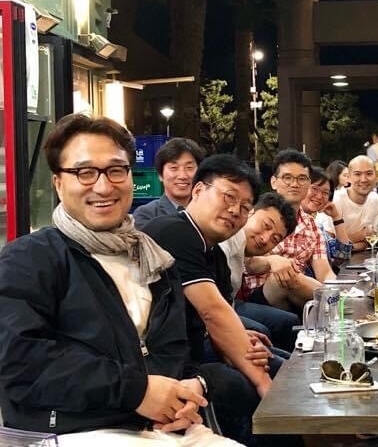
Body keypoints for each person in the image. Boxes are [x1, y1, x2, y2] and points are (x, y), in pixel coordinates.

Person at [0, 114, 235, 446]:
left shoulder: (156, 260)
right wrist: (137, 391)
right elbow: (19, 360)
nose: (103, 186)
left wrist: (189, 387)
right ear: (58, 183)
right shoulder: (30, 258)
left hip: (166, 428)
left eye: (115, 170)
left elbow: (179, 351)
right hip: (75, 430)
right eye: (84, 172)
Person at [142, 155, 273, 444]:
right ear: (199, 190)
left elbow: (218, 322)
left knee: (276, 364)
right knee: (249, 388)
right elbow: (212, 312)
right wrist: (264, 385)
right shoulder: (174, 231)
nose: (235, 210)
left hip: (192, 353)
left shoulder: (215, 255)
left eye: (245, 207)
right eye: (229, 196)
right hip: (159, 365)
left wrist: (243, 342)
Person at [243, 149, 337, 311]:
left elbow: (324, 272)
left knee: (301, 282)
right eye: (287, 178)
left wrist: (337, 286)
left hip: (297, 295)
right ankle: (335, 304)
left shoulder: (311, 224)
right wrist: (273, 262)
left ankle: (333, 304)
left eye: (301, 179)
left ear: (308, 184)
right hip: (256, 295)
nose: (294, 184)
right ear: (274, 182)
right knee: (283, 277)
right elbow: (247, 261)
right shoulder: (257, 213)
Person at [219, 191, 300, 351]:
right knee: (261, 333)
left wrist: (272, 261)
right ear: (249, 212)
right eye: (266, 226)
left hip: (229, 306)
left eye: (275, 239)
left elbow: (251, 263)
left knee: (288, 322)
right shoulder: (224, 240)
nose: (265, 238)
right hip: (205, 322)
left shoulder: (241, 247)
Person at [133, 137, 205, 228]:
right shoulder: (146, 214)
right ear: (160, 175)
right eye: (174, 168)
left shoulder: (208, 210)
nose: (182, 176)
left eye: (189, 168)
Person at [302, 167, 353, 270]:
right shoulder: (291, 223)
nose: (319, 196)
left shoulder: (316, 226)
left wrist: (337, 217)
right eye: (314, 189)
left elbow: (342, 255)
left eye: (325, 193)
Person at [332, 155, 378, 251]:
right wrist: (362, 235)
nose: (363, 179)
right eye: (357, 174)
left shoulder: (377, 200)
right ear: (349, 177)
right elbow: (329, 244)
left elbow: (376, 239)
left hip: (366, 258)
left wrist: (361, 244)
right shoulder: (335, 200)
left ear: (376, 176)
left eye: (369, 173)